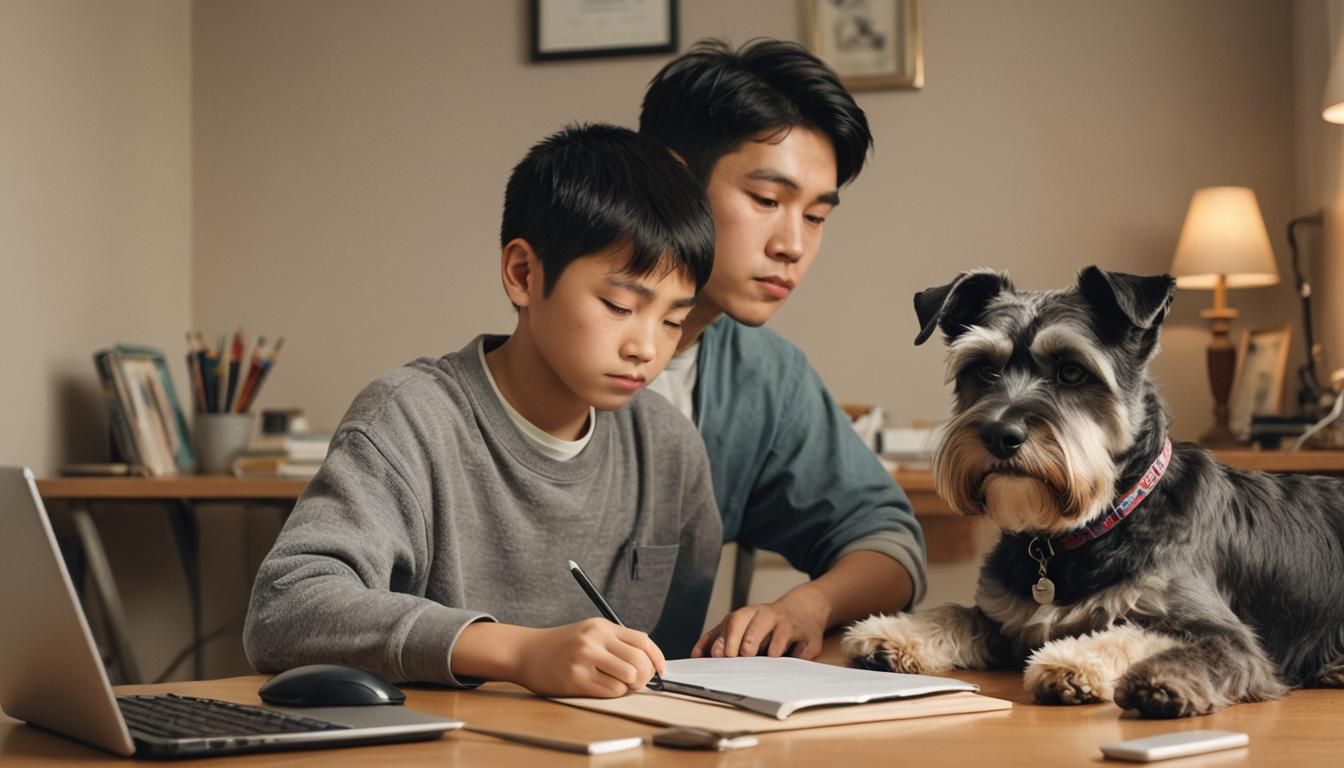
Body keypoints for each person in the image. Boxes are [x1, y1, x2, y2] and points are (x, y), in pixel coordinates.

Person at [243, 124, 721, 698]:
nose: (646, 347)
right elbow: (284, 608)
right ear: (523, 274)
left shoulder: (668, 447)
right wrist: (519, 652)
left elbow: (671, 663)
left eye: (673, 320)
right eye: (620, 305)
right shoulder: (412, 419)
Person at [640, 39, 927, 659]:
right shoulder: (569, 351)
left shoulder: (764, 376)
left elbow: (889, 542)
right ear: (672, 180)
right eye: (767, 201)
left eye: (816, 216)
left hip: (662, 709)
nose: (792, 245)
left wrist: (807, 605)